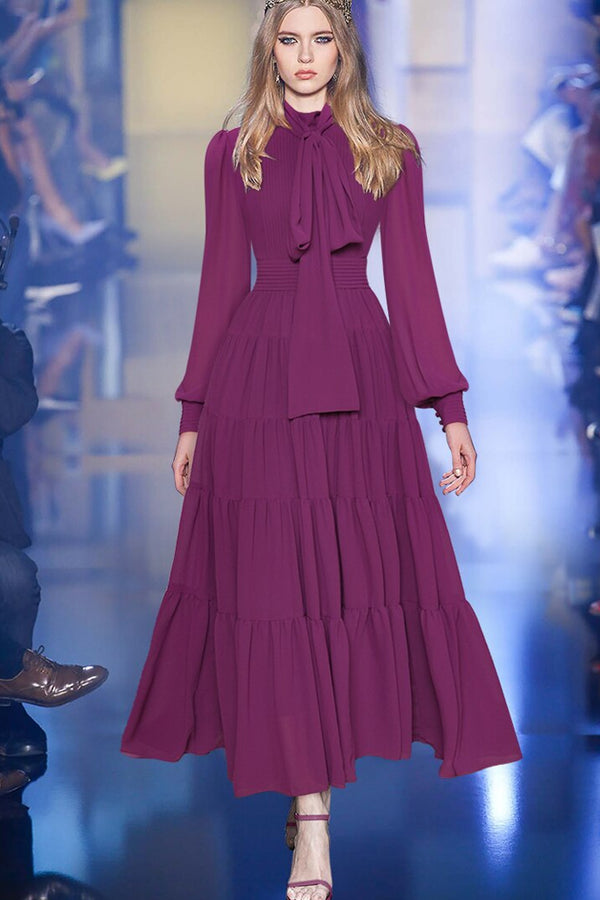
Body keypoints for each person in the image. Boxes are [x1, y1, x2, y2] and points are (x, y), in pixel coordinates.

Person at [121, 2, 522, 898]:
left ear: (344, 50)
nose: (305, 56)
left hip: (360, 378)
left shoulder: (390, 149)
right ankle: (311, 821)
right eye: (289, 39)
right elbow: (220, 282)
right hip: (257, 381)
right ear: (270, 49)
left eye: (322, 39)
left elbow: (412, 284)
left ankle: (315, 804)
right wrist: (192, 414)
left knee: (344, 588)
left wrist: (449, 409)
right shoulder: (233, 152)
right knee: (277, 590)